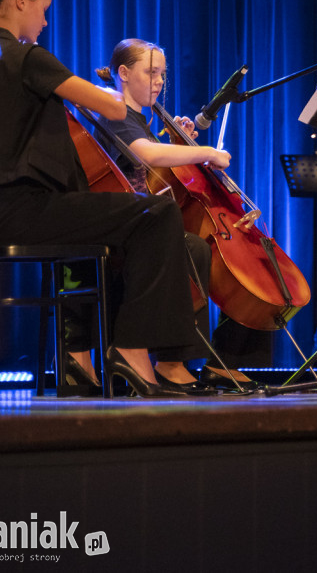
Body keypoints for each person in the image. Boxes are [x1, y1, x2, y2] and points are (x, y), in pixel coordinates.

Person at [0, 0, 202, 397]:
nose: (45, 22)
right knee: (158, 213)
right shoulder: (29, 58)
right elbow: (116, 108)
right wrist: (95, 90)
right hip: (25, 212)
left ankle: (81, 357)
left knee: (107, 216)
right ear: (21, 1)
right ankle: (133, 349)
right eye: (43, 9)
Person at [91, 38, 263, 392]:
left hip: (144, 223)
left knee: (220, 252)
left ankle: (214, 359)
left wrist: (176, 140)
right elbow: (147, 155)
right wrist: (204, 152)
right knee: (194, 247)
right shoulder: (116, 113)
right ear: (123, 73)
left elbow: (157, 169)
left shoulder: (138, 119)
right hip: (122, 228)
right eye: (150, 73)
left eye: (162, 75)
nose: (158, 82)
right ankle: (172, 363)